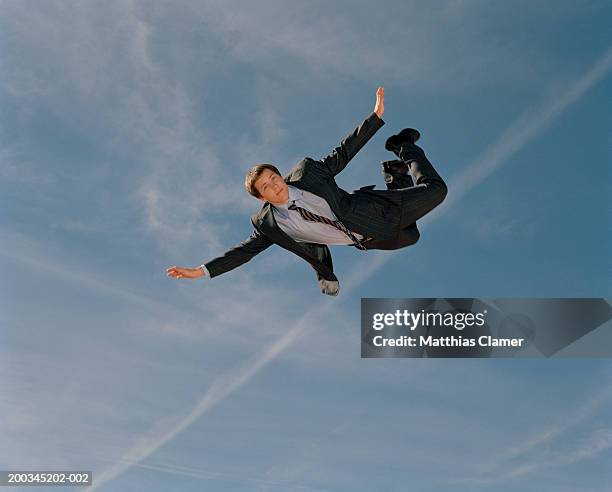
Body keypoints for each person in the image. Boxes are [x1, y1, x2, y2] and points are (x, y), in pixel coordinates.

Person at [166, 87, 447, 296]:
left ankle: (402, 145)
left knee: (436, 191)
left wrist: (374, 117)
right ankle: (395, 174)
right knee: (412, 234)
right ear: (262, 197)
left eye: (274, 178)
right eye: (267, 187)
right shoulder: (268, 224)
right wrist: (201, 271)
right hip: (368, 239)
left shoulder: (307, 173)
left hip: (373, 211)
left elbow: (342, 153)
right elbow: (242, 253)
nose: (275, 185)